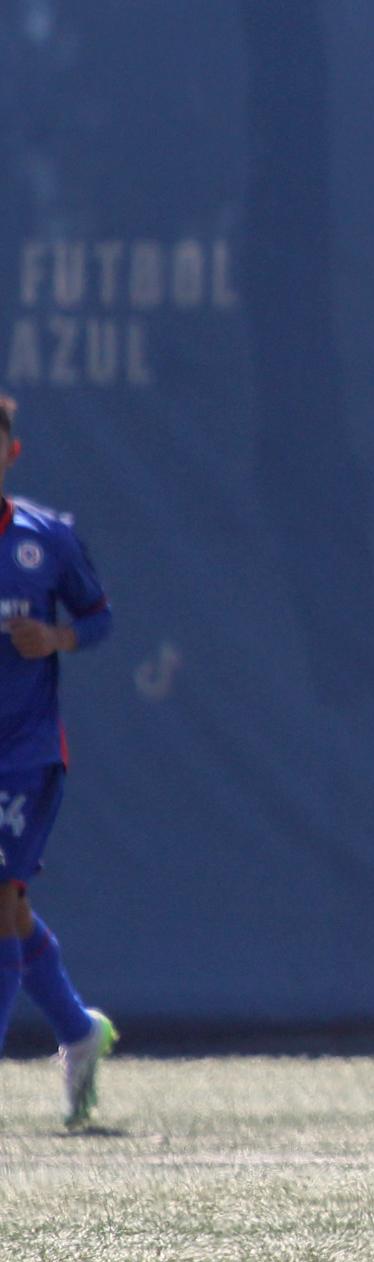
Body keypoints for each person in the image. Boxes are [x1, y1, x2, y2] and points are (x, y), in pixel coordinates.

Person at [0, 392, 118, 1129]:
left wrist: (56, 639)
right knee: (11, 908)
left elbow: (98, 618)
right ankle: (77, 1030)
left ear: (10, 453)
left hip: (24, 753)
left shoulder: (46, 539)